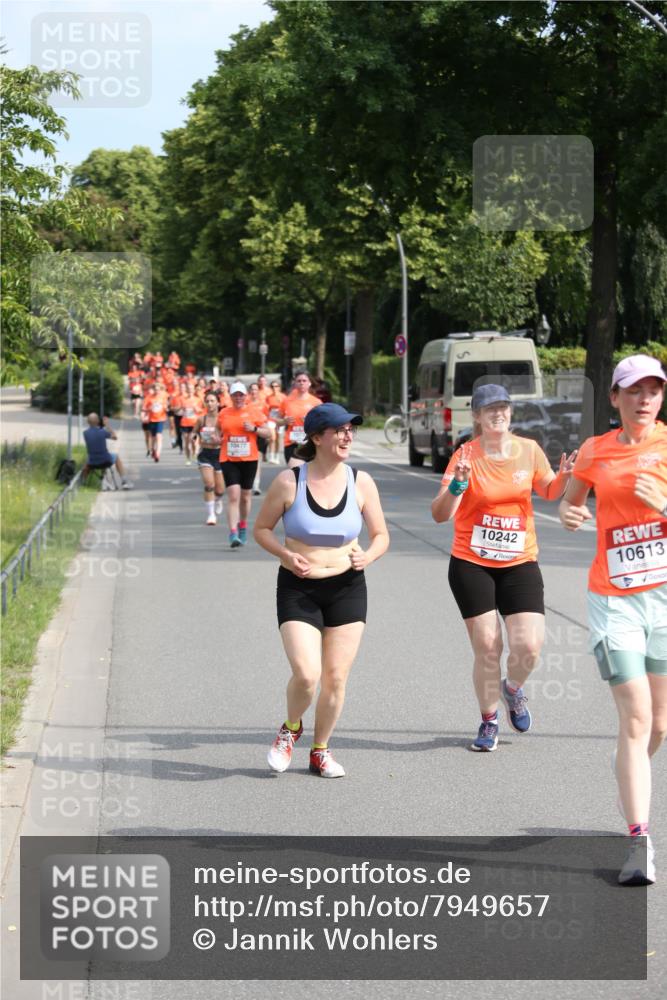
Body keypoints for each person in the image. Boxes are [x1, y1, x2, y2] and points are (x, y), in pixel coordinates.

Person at [559, 355, 667, 886]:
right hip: (614, 598)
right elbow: (571, 504)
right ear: (615, 399)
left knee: (659, 726)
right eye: (634, 391)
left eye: (654, 390)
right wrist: (571, 515)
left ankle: (631, 767)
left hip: (665, 600)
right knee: (636, 717)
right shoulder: (595, 451)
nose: (645, 399)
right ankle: (638, 841)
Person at [431, 383, 577, 752]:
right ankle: (488, 721)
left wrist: (565, 478)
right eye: (490, 408)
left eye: (504, 407)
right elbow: (439, 514)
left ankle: (512, 689)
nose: (499, 413)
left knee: (528, 645)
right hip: (471, 561)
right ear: (477, 417)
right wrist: (458, 485)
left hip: (519, 560)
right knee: (488, 645)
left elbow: (548, 490)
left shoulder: (529, 450)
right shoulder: (464, 455)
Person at [254, 402, 389, 777]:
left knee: (336, 677)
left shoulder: (360, 482)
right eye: (340, 429)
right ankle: (291, 728)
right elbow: (261, 529)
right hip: (299, 588)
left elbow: (381, 535)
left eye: (351, 429)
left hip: (348, 587)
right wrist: (284, 554)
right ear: (317, 438)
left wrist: (369, 557)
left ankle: (320, 751)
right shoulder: (289, 481)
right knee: (307, 674)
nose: (348, 435)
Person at [218, 381, 272, 548]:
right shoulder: (224, 413)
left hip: (249, 459)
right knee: (233, 495)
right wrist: (214, 438)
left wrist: (254, 430)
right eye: (235, 395)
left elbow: (268, 433)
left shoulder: (254, 412)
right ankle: (233, 532)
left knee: (246, 496)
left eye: (241, 394)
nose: (238, 397)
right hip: (228, 458)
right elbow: (218, 431)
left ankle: (243, 525)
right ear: (231, 396)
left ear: (245, 396)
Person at [194, 392, 225, 525]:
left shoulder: (223, 419)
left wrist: (219, 440)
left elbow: (228, 436)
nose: (210, 403)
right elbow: (194, 433)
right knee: (209, 484)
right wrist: (194, 440)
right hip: (205, 454)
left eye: (213, 401)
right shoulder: (202, 419)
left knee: (220, 490)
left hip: (220, 454)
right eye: (207, 401)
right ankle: (211, 515)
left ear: (218, 402)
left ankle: (217, 499)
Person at [277, 371, 320, 466]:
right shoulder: (287, 401)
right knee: (295, 473)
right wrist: (284, 421)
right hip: (291, 443)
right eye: (299, 381)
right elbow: (277, 421)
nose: (301, 383)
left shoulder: (316, 402)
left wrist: (310, 421)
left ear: (309, 383)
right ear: (295, 383)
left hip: (310, 443)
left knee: (310, 476)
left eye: (304, 380)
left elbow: (323, 423)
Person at [83, 413, 133, 489]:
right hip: (105, 460)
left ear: (88, 422)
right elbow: (115, 437)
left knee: (90, 461)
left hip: (92, 462)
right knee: (116, 457)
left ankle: (84, 483)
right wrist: (107, 425)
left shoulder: (85, 433)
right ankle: (124, 481)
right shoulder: (102, 432)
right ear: (97, 421)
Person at [145, 381, 168, 462]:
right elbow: (145, 408)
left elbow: (166, 407)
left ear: (160, 390)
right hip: (152, 419)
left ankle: (158, 454)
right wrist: (149, 408)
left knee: (159, 436)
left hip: (160, 419)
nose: (157, 391)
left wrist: (165, 407)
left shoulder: (163, 397)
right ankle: (153, 450)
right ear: (153, 390)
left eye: (158, 389)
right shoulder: (149, 398)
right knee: (153, 437)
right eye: (155, 389)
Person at [265, 379, 286, 464]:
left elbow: (286, 408)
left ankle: (277, 456)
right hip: (271, 418)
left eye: (276, 386)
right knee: (272, 437)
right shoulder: (268, 398)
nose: (274, 388)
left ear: (279, 387)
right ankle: (271, 456)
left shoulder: (284, 397)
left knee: (278, 438)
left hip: (280, 419)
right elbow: (266, 408)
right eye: (272, 386)